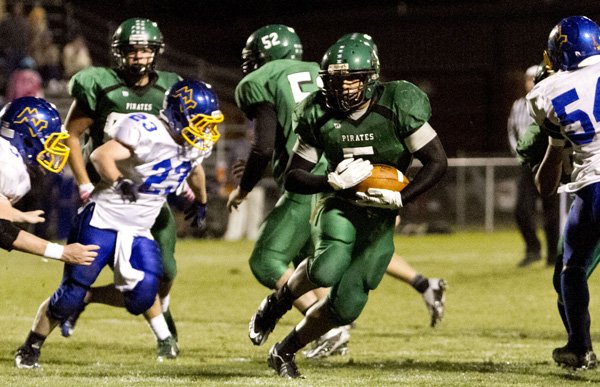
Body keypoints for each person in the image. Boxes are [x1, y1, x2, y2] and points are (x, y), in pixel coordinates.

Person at [250, 38, 447, 378]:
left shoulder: (397, 102)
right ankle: (278, 302)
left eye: (350, 79)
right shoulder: (317, 111)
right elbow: (295, 175)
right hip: (340, 204)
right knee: (327, 267)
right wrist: (331, 181)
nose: (341, 87)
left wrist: (402, 197)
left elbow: (436, 162)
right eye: (335, 79)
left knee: (347, 305)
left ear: (370, 77)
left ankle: (284, 350)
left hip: (381, 216)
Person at [14, 79, 223, 369]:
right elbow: (102, 155)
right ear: (177, 116)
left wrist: (200, 201)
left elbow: (195, 169)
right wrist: (119, 180)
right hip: (102, 219)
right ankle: (31, 346)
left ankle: (91, 298)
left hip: (138, 229)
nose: (206, 131)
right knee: (70, 293)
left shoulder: (194, 145)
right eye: (200, 123)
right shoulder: (146, 129)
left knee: (144, 295)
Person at [61, 18, 184, 354]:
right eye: (132, 50)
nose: (139, 57)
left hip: (149, 196)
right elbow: (70, 134)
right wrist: (84, 183)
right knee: (93, 265)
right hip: (106, 193)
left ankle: (95, 300)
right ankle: (76, 302)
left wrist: (187, 185)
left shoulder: (169, 89)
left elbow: (183, 141)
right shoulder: (100, 85)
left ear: (156, 52)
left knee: (166, 269)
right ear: (119, 53)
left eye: (145, 49)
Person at [529, 15, 600, 370]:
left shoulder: (547, 91)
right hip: (590, 184)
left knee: (571, 270)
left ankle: (580, 346)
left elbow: (553, 160)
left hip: (593, 187)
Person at [0, 96, 98, 264]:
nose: (53, 149)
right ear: (27, 138)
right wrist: (61, 252)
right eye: (50, 140)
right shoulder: (7, 165)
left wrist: (16, 214)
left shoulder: (7, 156)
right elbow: (2, 230)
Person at [507, 64, 559, 267]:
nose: (531, 83)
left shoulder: (551, 103)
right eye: (528, 79)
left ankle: (554, 256)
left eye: (534, 79)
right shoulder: (518, 105)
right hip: (528, 165)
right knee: (521, 209)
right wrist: (521, 153)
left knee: (551, 213)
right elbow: (512, 131)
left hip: (550, 163)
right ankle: (533, 249)